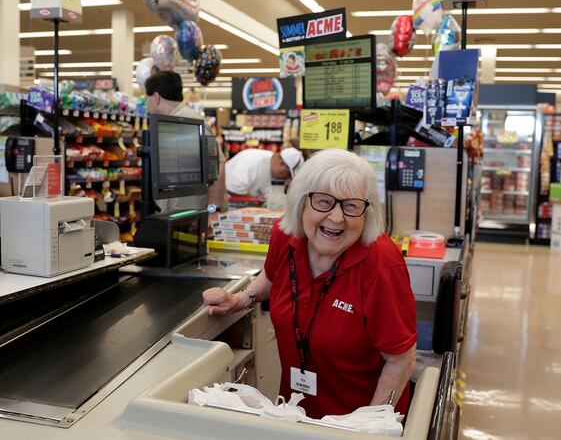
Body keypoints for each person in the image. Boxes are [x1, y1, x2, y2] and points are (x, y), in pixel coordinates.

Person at [202, 149, 417, 419]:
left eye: (351, 206)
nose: (337, 218)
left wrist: (368, 427)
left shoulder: (382, 264)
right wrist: (241, 299)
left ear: (367, 211)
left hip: (355, 420)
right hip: (295, 412)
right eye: (323, 202)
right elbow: (272, 274)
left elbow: (401, 360)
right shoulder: (286, 235)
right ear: (301, 202)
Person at [145, 71, 227, 213]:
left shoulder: (189, 121)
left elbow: (217, 164)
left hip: (191, 214)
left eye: (147, 98)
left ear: (156, 97)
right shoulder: (171, 121)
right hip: (179, 212)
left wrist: (213, 209)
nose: (147, 104)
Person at [225, 147, 303, 198]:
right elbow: (233, 188)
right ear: (281, 164)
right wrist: (254, 201)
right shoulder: (252, 160)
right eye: (288, 175)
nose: (286, 179)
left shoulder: (272, 169)